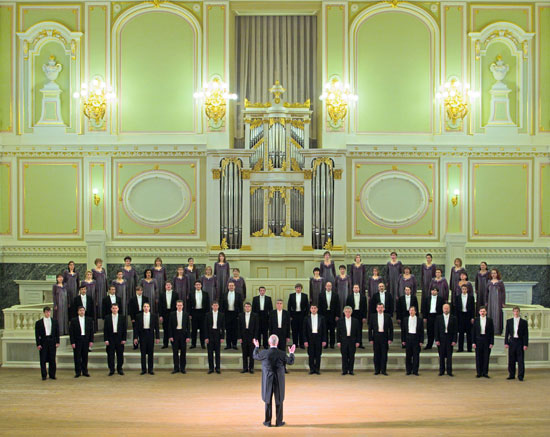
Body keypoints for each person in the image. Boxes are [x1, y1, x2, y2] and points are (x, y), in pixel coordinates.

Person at [253, 335, 296, 427]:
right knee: (279, 400)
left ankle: (267, 422)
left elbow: (255, 356)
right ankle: (279, 422)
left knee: (267, 400)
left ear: (269, 343)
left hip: (268, 379)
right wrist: (291, 353)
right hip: (278, 380)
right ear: (277, 343)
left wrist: (256, 346)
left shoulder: (264, 353)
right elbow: (290, 362)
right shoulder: (282, 353)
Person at [134, 302, 160, 375]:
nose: (146, 308)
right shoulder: (138, 316)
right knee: (143, 353)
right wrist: (135, 337)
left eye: (147, 306)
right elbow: (136, 328)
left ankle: (150, 369)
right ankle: (143, 369)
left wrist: (157, 337)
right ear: (142, 308)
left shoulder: (154, 316)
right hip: (142, 335)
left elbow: (157, 327)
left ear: (149, 308)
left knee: (150, 353)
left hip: (150, 334)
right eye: (144, 306)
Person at [35, 306, 60, 380]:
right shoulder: (39, 323)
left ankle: (52, 375)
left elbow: (57, 333)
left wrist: (57, 341)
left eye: (49, 312)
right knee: (43, 359)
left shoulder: (54, 321)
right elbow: (37, 334)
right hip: (43, 341)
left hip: (52, 341)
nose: (48, 313)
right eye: (46, 312)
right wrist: (38, 344)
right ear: (44, 313)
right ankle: (44, 375)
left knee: (52, 358)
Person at [368, 302, 393, 375]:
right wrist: (370, 339)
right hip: (376, 337)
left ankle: (383, 370)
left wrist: (390, 338)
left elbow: (391, 328)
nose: (380, 309)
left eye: (381, 307)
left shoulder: (387, 316)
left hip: (385, 337)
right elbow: (370, 329)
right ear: (376, 309)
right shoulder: (373, 316)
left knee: (384, 354)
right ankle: (377, 370)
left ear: (384, 308)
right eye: (378, 307)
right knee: (376, 354)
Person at [505, 306, 529, 381]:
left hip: (520, 342)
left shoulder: (524, 322)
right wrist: (506, 343)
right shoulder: (509, 321)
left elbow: (526, 334)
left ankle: (520, 376)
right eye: (514, 311)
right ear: (513, 312)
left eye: (517, 311)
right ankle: (511, 375)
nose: (516, 313)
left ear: (519, 312)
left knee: (520, 360)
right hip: (512, 342)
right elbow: (506, 333)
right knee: (511, 359)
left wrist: (525, 344)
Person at [69, 306, 94, 378]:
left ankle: (85, 371)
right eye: (80, 310)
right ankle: (78, 372)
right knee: (77, 357)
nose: (82, 312)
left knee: (85, 356)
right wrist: (72, 342)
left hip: (86, 340)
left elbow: (91, 331)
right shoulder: (73, 320)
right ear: (78, 312)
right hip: (77, 340)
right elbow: (71, 332)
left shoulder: (89, 320)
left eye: (83, 310)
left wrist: (91, 340)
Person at [104, 303, 127, 376]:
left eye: (116, 308)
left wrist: (124, 339)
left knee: (120, 354)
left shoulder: (122, 317)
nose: (114, 310)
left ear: (118, 309)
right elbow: (105, 329)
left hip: (119, 338)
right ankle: (111, 369)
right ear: (111, 309)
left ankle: (119, 369)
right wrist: (106, 339)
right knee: (110, 355)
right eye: (113, 308)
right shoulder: (107, 317)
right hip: (110, 338)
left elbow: (124, 329)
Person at [337, 306, 361, 375]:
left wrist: (358, 341)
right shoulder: (340, 321)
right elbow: (338, 332)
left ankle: (351, 370)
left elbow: (358, 332)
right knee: (344, 356)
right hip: (343, 340)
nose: (347, 313)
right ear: (344, 312)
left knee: (351, 356)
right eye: (346, 312)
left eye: (349, 312)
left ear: (351, 312)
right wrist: (338, 341)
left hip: (352, 340)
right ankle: (344, 370)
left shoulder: (355, 321)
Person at [303, 304, 326, 374]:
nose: (313, 309)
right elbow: (304, 330)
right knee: (311, 354)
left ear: (317, 309)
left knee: (318, 354)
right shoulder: (306, 318)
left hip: (319, 338)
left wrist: (324, 340)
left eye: (315, 308)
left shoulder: (322, 318)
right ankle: (312, 369)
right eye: (312, 308)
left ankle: (317, 369)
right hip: (310, 338)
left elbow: (324, 330)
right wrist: (305, 340)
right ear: (310, 309)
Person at [268, 299, 291, 372]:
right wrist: (270, 336)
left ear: (282, 305)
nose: (279, 305)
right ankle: (274, 367)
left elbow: (288, 325)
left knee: (283, 351)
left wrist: (288, 336)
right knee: (274, 352)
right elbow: (270, 325)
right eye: (278, 303)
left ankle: (283, 368)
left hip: (283, 334)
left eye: (280, 303)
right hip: (274, 334)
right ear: (276, 305)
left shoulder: (286, 313)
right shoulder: (272, 313)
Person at [435, 304, 457, 377]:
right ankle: (441, 371)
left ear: (449, 309)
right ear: (442, 309)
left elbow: (455, 330)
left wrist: (454, 340)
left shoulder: (453, 318)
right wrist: (437, 339)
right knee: (441, 356)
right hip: (441, 339)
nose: (446, 309)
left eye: (447, 308)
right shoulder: (438, 318)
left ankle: (449, 371)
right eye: (445, 308)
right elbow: (436, 330)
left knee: (449, 356)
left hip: (450, 339)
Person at [168, 300, 190, 374]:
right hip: (175, 335)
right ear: (176, 306)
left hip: (183, 335)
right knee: (175, 353)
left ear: (183, 306)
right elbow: (170, 326)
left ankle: (182, 368)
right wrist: (170, 336)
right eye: (178, 305)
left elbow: (188, 327)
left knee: (183, 353)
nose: (179, 306)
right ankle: (176, 368)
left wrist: (188, 337)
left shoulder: (186, 314)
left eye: (180, 305)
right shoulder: (172, 314)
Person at [472, 306, 494, 378]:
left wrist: (491, 342)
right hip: (478, 340)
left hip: (487, 340)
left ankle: (485, 373)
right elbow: (473, 331)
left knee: (486, 357)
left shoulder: (490, 320)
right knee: (478, 357)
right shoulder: (476, 320)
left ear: (486, 312)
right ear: (479, 312)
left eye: (484, 311)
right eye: (481, 311)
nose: (482, 313)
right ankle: (479, 372)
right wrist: (473, 342)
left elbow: (492, 332)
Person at [401, 306, 423, 375]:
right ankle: (408, 370)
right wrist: (403, 340)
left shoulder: (419, 320)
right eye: (410, 310)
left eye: (413, 310)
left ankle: (415, 371)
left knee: (416, 356)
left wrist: (421, 341)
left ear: (415, 312)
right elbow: (403, 331)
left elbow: (421, 331)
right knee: (408, 356)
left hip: (416, 338)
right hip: (408, 338)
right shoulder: (405, 319)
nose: (411, 312)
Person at [221, 281, 243, 350]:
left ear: (234, 287)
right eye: (230, 286)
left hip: (235, 314)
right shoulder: (224, 295)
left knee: (235, 330)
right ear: (228, 287)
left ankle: (234, 344)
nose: (231, 287)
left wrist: (240, 315)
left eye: (232, 285)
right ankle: (228, 345)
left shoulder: (238, 295)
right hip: (227, 314)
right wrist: (222, 315)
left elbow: (241, 306)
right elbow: (221, 305)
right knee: (228, 330)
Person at [238, 302, 259, 373]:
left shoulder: (255, 315)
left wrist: (255, 338)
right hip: (243, 336)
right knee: (244, 353)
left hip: (252, 336)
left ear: (251, 307)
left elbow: (257, 327)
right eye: (246, 306)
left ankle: (251, 368)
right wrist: (240, 337)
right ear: (244, 308)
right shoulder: (241, 315)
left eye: (248, 306)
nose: (247, 308)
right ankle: (245, 368)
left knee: (252, 353)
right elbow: (239, 327)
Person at [205, 301, 225, 374]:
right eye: (214, 305)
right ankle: (211, 368)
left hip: (218, 334)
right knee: (210, 353)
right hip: (210, 334)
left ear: (218, 306)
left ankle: (218, 368)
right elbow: (205, 327)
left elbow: (223, 327)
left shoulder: (221, 315)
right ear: (212, 306)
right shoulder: (208, 314)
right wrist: (206, 337)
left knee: (217, 353)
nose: (215, 307)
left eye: (216, 305)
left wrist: (222, 337)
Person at [318, 281, 340, 349]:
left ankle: (332, 344)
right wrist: (320, 316)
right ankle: (325, 344)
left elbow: (338, 306)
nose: (328, 287)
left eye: (330, 286)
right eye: (327, 286)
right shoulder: (321, 295)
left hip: (332, 314)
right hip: (324, 314)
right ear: (325, 287)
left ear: (331, 287)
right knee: (324, 330)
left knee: (332, 330)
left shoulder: (335, 295)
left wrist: (337, 315)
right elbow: (319, 305)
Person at [189, 280, 210, 349]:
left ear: (201, 285)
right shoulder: (191, 293)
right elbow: (189, 304)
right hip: (194, 312)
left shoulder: (205, 294)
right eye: (196, 285)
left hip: (203, 313)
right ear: (194, 286)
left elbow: (208, 304)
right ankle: (193, 344)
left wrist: (207, 314)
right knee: (194, 329)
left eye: (199, 284)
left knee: (202, 329)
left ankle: (202, 344)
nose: (198, 286)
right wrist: (190, 314)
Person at [287, 283, 309, 349]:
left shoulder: (305, 296)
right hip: (294, 315)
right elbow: (289, 306)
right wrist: (290, 315)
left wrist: (306, 315)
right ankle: (295, 344)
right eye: (297, 288)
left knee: (302, 330)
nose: (298, 289)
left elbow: (307, 306)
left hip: (302, 314)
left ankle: (301, 344)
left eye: (299, 288)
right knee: (294, 330)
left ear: (301, 289)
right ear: (295, 289)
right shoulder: (292, 295)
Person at [454, 284, 475, 352]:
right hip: (460, 316)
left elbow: (473, 308)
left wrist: (472, 317)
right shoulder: (458, 297)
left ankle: (469, 348)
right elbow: (456, 308)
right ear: (461, 290)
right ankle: (460, 348)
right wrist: (456, 318)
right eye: (463, 289)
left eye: (465, 289)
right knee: (461, 333)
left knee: (469, 333)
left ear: (467, 290)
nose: (464, 290)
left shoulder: (471, 297)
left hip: (468, 316)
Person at [345, 284, 367, 348]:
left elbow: (365, 307)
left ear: (359, 289)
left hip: (360, 314)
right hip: (352, 314)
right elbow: (347, 307)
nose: (356, 289)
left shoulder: (363, 297)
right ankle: (352, 343)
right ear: (353, 289)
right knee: (352, 329)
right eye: (355, 288)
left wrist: (364, 317)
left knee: (359, 329)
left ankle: (360, 343)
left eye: (357, 288)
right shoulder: (349, 297)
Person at [159, 281, 179, 348]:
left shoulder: (175, 294)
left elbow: (177, 304)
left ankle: (174, 343)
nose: (168, 286)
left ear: (171, 286)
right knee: (165, 329)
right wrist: (160, 315)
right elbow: (160, 306)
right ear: (165, 286)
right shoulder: (162, 294)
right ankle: (165, 344)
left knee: (174, 328)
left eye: (169, 285)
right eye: (167, 285)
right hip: (165, 313)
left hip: (173, 313)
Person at [487, 269, 506, 335]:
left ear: (497, 274)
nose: (493, 274)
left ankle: (497, 330)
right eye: (492, 273)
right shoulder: (489, 282)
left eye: (494, 273)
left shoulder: (500, 282)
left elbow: (503, 293)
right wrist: (486, 302)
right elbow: (486, 292)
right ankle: (490, 330)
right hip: (490, 301)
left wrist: (503, 302)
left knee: (497, 314)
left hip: (498, 301)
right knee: (490, 313)